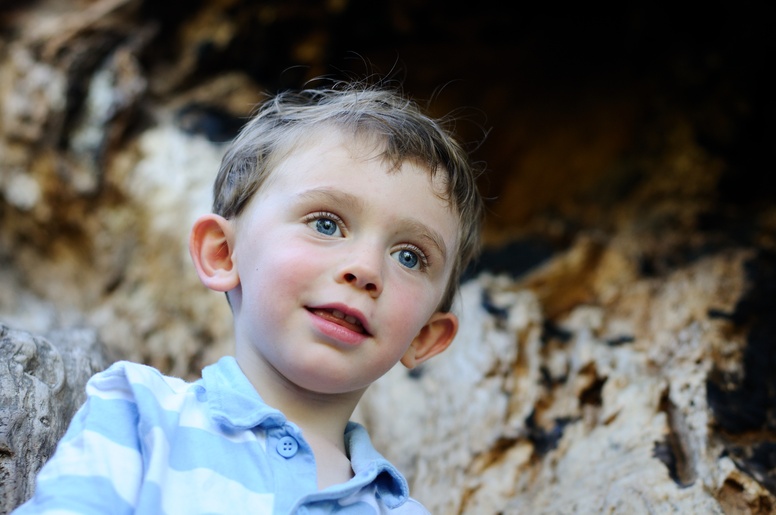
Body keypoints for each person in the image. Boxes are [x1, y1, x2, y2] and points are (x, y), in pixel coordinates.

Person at [14, 80, 484, 514]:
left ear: (424, 336)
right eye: (326, 224)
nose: (365, 269)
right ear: (223, 254)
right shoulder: (139, 416)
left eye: (409, 257)